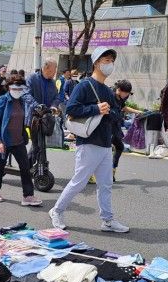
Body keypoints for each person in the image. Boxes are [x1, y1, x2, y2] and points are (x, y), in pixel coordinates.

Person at [49, 47, 129, 233]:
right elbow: (71, 110)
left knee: (106, 184)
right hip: (88, 142)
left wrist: (111, 113)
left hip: (104, 143)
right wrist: (95, 109)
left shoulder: (108, 91)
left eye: (111, 61)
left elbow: (116, 114)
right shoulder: (84, 85)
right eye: (106, 60)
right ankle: (57, 210)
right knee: (79, 181)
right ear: (96, 63)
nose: (109, 64)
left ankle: (107, 221)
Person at [0, 74, 43, 206]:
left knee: (25, 168)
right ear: (8, 88)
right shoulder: (3, 100)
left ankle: (28, 196)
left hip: (18, 141)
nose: (17, 91)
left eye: (20, 89)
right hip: (4, 141)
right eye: (15, 88)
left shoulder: (22, 101)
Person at [111, 79, 142, 182]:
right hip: (106, 126)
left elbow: (123, 107)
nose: (127, 96)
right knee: (103, 151)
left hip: (115, 125)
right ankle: (93, 174)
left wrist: (137, 111)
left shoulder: (121, 97)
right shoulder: (109, 95)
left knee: (119, 147)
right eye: (126, 93)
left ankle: (112, 170)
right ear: (119, 90)